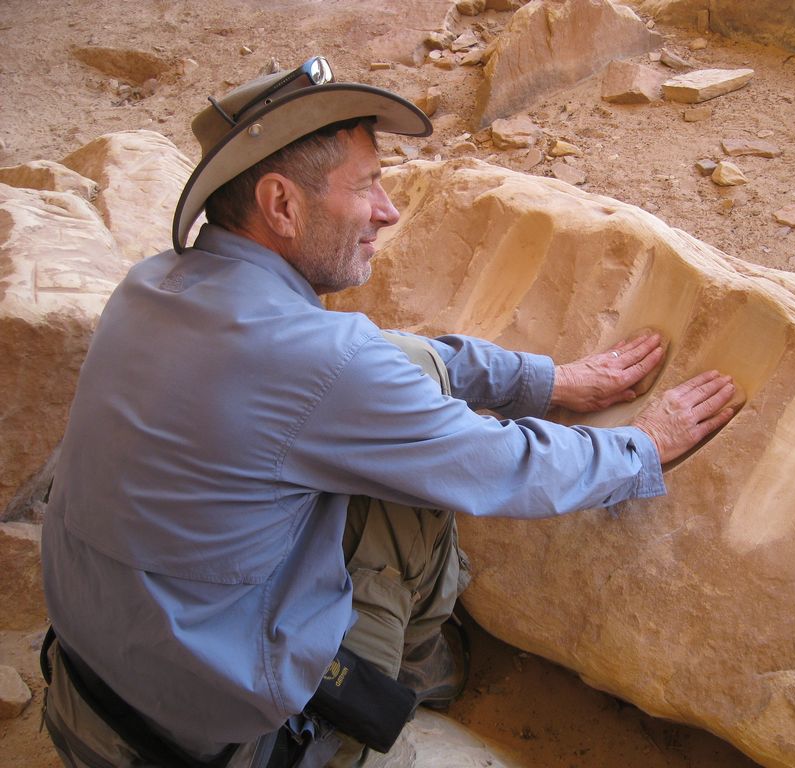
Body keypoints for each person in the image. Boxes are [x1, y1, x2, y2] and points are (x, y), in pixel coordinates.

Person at [39, 56, 739, 768]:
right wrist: (644, 445)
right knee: (414, 497)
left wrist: (548, 382)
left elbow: (388, 358)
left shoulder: (152, 284)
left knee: (402, 401)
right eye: (368, 185)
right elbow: (501, 465)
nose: (389, 210)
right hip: (220, 750)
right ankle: (401, 685)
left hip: (91, 701)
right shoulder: (318, 361)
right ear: (283, 206)